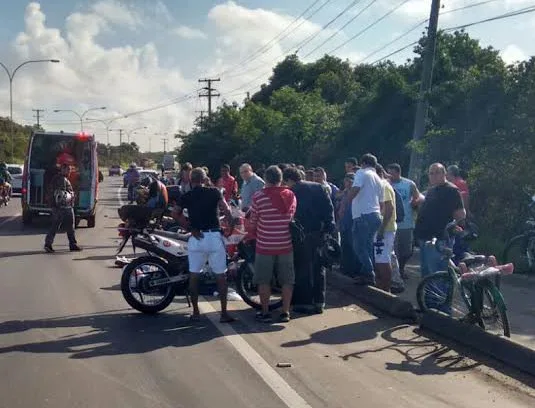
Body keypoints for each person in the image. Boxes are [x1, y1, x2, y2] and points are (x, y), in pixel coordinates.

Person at [173, 167, 236, 323]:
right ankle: (223, 313)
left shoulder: (186, 195)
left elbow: (175, 213)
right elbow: (226, 209)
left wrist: (189, 228)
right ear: (204, 179)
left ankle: (195, 312)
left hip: (197, 238)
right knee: (221, 276)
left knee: (194, 275)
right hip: (214, 236)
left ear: (190, 180)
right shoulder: (214, 192)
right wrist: (230, 226)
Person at [282, 167, 336, 315]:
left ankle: (303, 302)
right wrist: (329, 227)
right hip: (319, 232)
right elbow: (329, 208)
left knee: (301, 267)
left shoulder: (291, 192)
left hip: (301, 234)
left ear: (289, 180)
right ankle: (319, 301)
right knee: (319, 267)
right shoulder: (318, 187)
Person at [246, 165, 296, 323]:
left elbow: (253, 222)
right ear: (281, 179)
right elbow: (291, 216)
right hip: (285, 244)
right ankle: (285, 312)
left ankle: (265, 312)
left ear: (266, 179)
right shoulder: (291, 195)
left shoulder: (258, 197)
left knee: (264, 280)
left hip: (265, 245)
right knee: (287, 280)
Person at [415, 163, 466, 278]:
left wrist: (455, 226)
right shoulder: (431, 190)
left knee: (437, 274)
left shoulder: (452, 190)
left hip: (439, 239)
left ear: (444, 174)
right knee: (426, 275)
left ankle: (440, 296)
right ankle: (428, 296)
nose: (433, 176)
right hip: (424, 237)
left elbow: (460, 214)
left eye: (437, 172)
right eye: (431, 173)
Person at [340, 153, 383, 286]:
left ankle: (369, 273)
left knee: (358, 246)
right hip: (375, 215)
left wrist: (346, 202)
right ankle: (366, 273)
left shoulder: (362, 173)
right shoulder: (378, 179)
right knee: (368, 245)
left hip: (363, 215)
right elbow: (381, 202)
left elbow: (355, 189)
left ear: (363, 163)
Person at [386, 163, 422, 278]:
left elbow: (419, 196)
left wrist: (415, 201)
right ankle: (395, 273)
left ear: (398, 172)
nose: (389, 176)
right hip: (391, 223)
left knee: (406, 251)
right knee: (393, 251)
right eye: (388, 173)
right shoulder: (386, 184)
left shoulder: (409, 184)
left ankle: (401, 267)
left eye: (391, 173)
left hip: (406, 223)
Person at [44, 164, 82, 253]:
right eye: (68, 170)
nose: (69, 172)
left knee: (56, 226)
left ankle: (48, 244)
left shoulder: (57, 179)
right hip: (64, 207)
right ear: (62, 170)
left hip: (59, 207)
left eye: (70, 170)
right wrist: (71, 196)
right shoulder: (62, 180)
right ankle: (72, 245)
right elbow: (61, 195)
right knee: (68, 227)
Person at [374, 165, 397, 292]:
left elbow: (389, 208)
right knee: (379, 259)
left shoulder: (383, 185)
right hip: (381, 229)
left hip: (385, 229)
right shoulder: (381, 185)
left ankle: (386, 290)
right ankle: (380, 288)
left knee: (382, 260)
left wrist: (381, 229)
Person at [337, 173, 361, 277]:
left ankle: (353, 270)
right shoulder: (344, 193)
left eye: (350, 181)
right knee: (344, 245)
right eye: (346, 181)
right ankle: (344, 267)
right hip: (344, 222)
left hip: (353, 222)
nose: (348, 183)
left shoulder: (357, 193)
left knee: (352, 246)